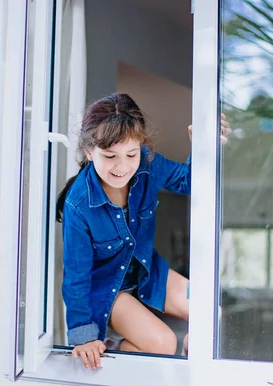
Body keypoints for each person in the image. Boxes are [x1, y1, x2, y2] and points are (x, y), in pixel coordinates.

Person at [56, 93, 230, 369]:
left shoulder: (148, 164)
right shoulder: (78, 204)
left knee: (210, 312)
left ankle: (189, 376)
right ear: (89, 152)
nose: (122, 166)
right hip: (108, 289)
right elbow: (76, 277)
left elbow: (189, 182)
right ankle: (113, 351)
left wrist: (206, 148)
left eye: (131, 154)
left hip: (147, 272)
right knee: (162, 343)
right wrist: (83, 337)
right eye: (110, 156)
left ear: (142, 148)